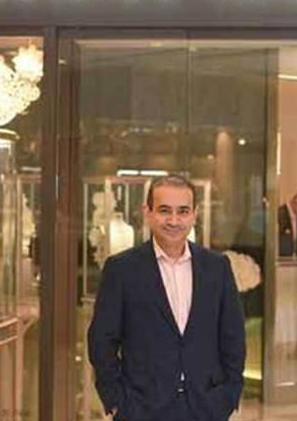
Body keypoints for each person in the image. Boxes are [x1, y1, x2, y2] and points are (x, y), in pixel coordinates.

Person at [88, 174, 246, 421]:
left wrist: (228, 395)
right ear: (148, 212)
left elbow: (233, 336)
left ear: (194, 215)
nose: (174, 220)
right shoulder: (122, 269)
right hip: (142, 410)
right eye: (164, 211)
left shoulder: (217, 268)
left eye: (183, 211)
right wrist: (118, 402)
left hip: (207, 407)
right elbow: (102, 341)